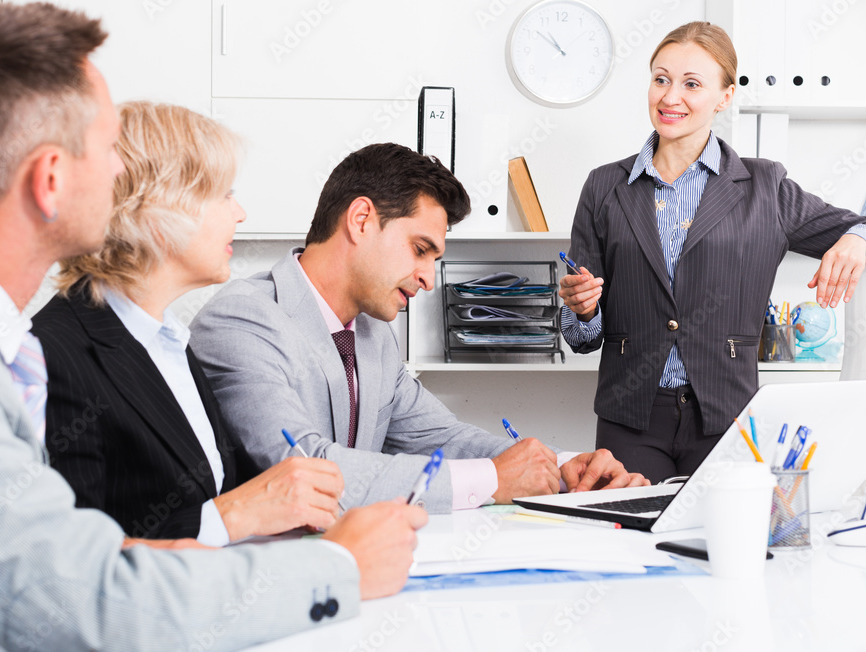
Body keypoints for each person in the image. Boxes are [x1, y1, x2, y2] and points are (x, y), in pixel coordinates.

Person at [0, 4, 424, 649]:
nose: (121, 173)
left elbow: (4, 573)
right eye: (109, 149)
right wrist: (339, 570)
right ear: (51, 180)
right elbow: (79, 599)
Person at [189, 142, 649, 514]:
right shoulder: (244, 320)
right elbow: (306, 467)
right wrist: (494, 479)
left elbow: (442, 437)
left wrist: (563, 465)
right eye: (420, 249)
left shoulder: (372, 336)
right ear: (362, 219)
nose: (429, 279)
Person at [557, 21, 866, 484]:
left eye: (692, 84)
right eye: (661, 79)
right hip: (630, 421)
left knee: (722, 544)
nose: (670, 97)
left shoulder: (765, 186)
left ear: (724, 97)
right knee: (629, 545)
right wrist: (582, 311)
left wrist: (858, 239)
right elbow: (581, 339)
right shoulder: (605, 186)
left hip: (726, 418)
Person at [32, 100, 347, 545]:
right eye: (224, 194)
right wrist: (235, 514)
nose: (240, 214)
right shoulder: (54, 356)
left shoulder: (169, 341)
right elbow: (72, 559)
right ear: (156, 207)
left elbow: (207, 495)